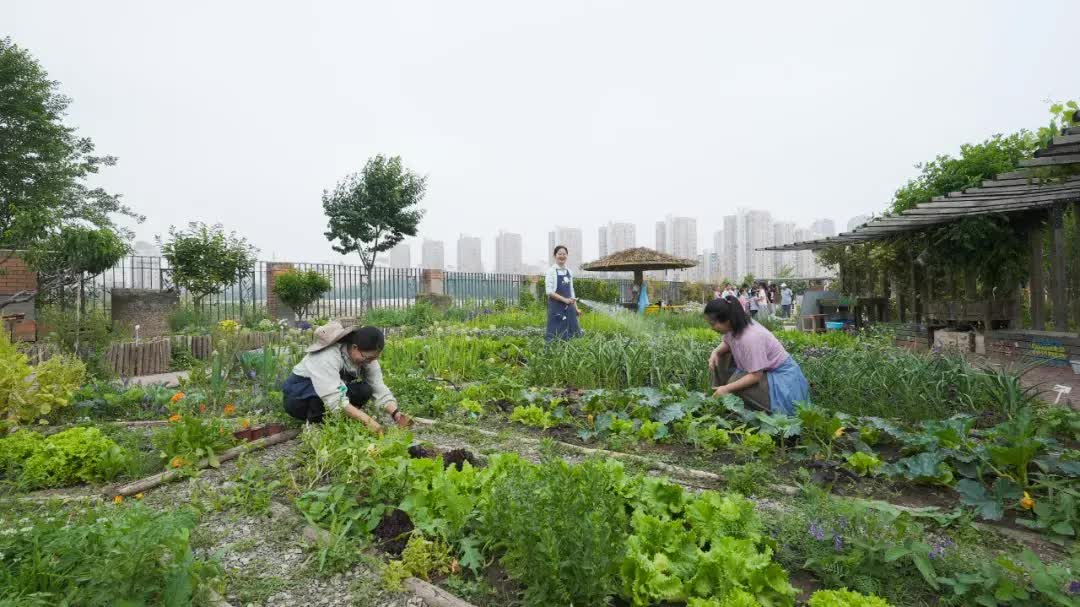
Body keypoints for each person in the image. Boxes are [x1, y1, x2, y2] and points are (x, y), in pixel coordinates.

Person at [281, 321, 411, 432]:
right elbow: (333, 397)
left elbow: (378, 386)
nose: (371, 362)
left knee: (364, 390)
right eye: (368, 358)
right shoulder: (327, 356)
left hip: (328, 392)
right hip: (297, 398)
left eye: (374, 358)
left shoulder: (366, 358)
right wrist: (368, 420)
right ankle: (315, 427)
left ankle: (341, 418)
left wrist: (396, 413)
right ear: (355, 347)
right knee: (322, 394)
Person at [705, 296, 810, 416]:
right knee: (721, 357)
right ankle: (720, 397)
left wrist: (728, 388)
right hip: (765, 372)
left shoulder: (751, 337)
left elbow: (755, 376)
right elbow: (727, 343)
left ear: (727, 320)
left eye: (713, 324)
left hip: (784, 381)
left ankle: (735, 400)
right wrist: (715, 352)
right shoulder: (735, 326)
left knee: (736, 382)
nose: (712, 328)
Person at [545, 245, 582, 340]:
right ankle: (552, 352)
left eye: (564, 254)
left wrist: (576, 309)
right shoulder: (551, 271)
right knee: (555, 332)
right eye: (559, 254)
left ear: (567, 256)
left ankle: (570, 353)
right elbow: (549, 291)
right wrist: (565, 300)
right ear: (555, 256)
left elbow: (571, 292)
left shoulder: (569, 271)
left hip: (569, 308)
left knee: (572, 332)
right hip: (556, 307)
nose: (562, 256)